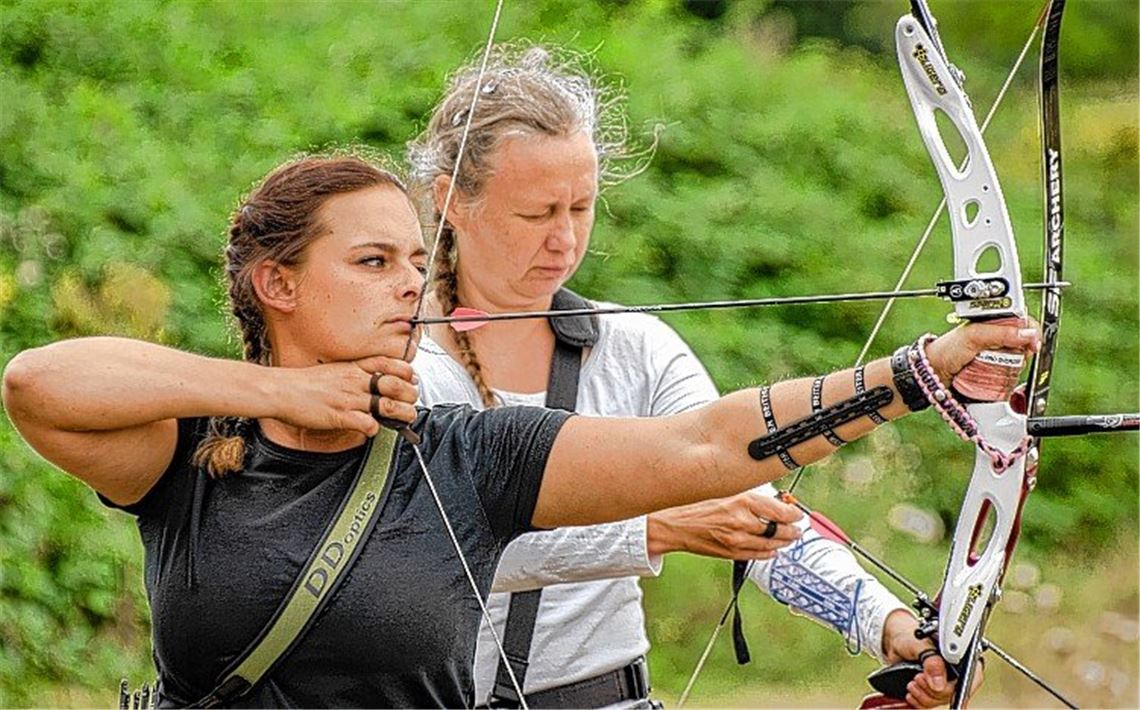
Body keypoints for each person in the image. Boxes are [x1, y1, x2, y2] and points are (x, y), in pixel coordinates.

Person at [1, 154, 1036, 708]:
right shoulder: (191, 456)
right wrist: (284, 395)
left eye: (416, 261)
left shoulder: (470, 452)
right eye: (372, 262)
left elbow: (705, 448)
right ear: (278, 284)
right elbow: (37, 383)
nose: (409, 283)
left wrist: (917, 373)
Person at [406, 45, 980, 709]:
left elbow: (751, 508)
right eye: (536, 214)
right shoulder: (400, 366)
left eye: (581, 208)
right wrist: (656, 528)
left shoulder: (636, 348)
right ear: (451, 200)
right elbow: (425, 547)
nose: (564, 239)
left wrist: (888, 625)